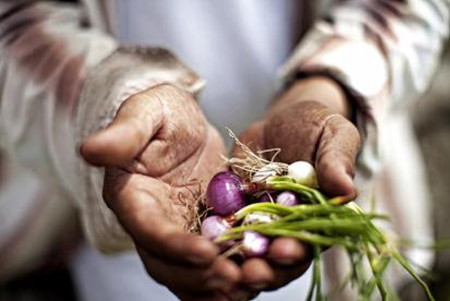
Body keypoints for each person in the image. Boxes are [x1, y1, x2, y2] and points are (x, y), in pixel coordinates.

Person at [0, 0, 448, 300]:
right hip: (111, 210)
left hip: (331, 210)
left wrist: (331, 89)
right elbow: (14, 26)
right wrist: (108, 102)